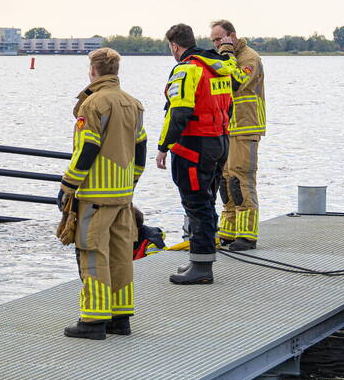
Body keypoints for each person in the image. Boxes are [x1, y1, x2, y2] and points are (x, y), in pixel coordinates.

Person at [57, 48, 147, 340]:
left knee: (93, 252)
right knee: (121, 255)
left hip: (95, 195)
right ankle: (121, 318)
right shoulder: (133, 104)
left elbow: (88, 148)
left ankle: (93, 320)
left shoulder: (93, 104)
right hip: (123, 195)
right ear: (116, 71)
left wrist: (68, 185)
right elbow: (141, 149)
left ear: (93, 70)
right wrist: (131, 181)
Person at [156, 23, 246, 285]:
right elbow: (231, 95)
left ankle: (203, 267)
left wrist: (163, 147)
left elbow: (179, 112)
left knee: (195, 203)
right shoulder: (219, 66)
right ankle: (199, 257)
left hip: (194, 146)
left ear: (174, 46)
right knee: (206, 201)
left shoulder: (187, 70)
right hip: (218, 142)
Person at [210, 20, 266, 251]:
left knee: (241, 179)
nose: (216, 44)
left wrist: (225, 55)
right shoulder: (225, 58)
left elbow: (235, 82)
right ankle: (229, 231)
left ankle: (247, 235)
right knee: (225, 180)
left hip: (245, 126)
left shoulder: (248, 58)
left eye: (219, 39)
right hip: (227, 127)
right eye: (213, 41)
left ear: (231, 36)